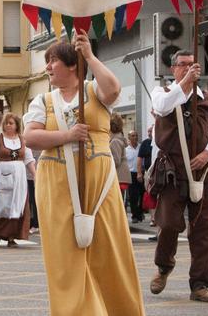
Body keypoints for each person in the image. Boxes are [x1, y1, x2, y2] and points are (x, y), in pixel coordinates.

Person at [23, 34, 144, 315]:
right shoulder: (42, 100)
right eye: (47, 61)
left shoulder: (93, 91)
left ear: (72, 65)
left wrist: (89, 55)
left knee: (110, 252)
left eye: (54, 60)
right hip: (56, 182)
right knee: (65, 259)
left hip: (98, 181)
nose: (48, 67)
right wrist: (67, 135)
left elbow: (113, 89)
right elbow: (30, 138)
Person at [149, 49, 208, 303]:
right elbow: (162, 108)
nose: (186, 68)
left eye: (191, 65)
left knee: (205, 230)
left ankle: (200, 285)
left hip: (203, 171)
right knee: (169, 224)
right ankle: (164, 267)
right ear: (173, 69)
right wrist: (183, 85)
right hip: (172, 171)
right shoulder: (162, 93)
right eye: (181, 65)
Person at [0, 113, 35, 246]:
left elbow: (29, 160)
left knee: (17, 205)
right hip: (2, 175)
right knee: (2, 205)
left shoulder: (22, 140)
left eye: (11, 123)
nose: (8, 125)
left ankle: (11, 237)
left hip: (20, 178)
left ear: (17, 125)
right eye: (6, 123)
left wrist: (35, 176)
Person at [136, 126, 157, 225]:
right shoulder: (145, 143)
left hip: (160, 172)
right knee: (150, 194)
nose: (149, 133)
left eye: (151, 131)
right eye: (148, 131)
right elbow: (139, 159)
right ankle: (153, 218)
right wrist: (139, 173)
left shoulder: (160, 141)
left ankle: (159, 217)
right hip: (149, 173)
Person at [109, 115, 130, 201]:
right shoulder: (119, 139)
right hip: (121, 176)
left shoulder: (115, 141)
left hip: (119, 176)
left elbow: (116, 161)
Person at [125, 130, 144, 222]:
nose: (135, 137)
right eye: (133, 136)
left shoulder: (141, 147)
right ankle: (134, 216)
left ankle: (140, 213)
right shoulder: (126, 150)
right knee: (133, 196)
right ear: (129, 137)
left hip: (141, 173)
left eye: (136, 135)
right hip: (131, 174)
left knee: (142, 194)